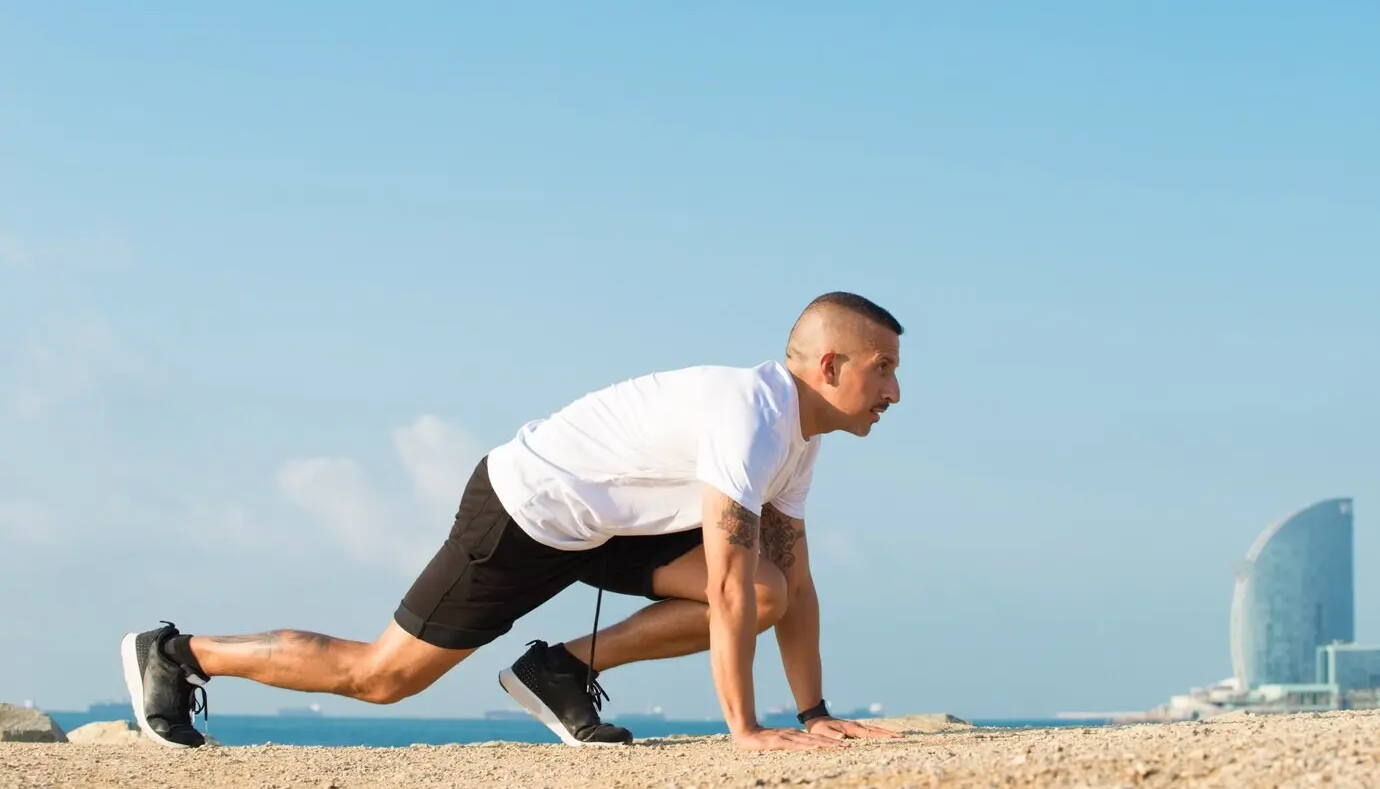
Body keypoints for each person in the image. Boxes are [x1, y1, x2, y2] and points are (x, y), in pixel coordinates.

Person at [120, 291, 905, 753]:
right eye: (884, 370)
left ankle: (558, 671)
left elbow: (791, 584)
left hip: (612, 526)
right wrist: (746, 730)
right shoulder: (751, 417)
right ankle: (179, 654)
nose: (894, 392)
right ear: (829, 366)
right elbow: (726, 586)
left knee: (773, 589)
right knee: (382, 677)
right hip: (524, 511)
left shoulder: (798, 440)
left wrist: (815, 715)